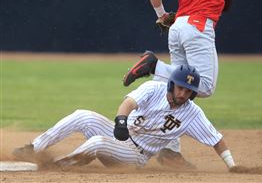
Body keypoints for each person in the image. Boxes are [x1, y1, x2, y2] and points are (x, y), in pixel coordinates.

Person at [122, 0, 239, 164]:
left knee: (173, 87)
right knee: (204, 87)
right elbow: (226, 5)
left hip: (177, 27)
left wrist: (161, 15)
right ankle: (154, 66)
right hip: (198, 26)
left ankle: (170, 152)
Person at [14, 65, 237, 172]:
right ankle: (34, 147)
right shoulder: (153, 88)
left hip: (135, 155)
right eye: (180, 88)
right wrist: (121, 121)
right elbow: (129, 103)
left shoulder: (192, 113)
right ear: (172, 84)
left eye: (189, 91)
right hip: (122, 134)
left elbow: (216, 139)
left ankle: (57, 166)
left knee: (97, 143)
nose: (183, 94)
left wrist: (232, 165)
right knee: (82, 115)